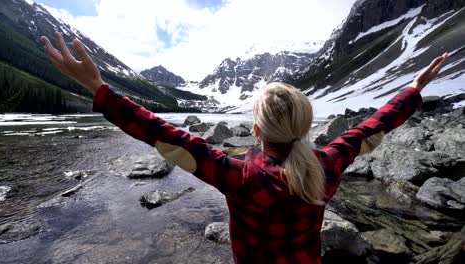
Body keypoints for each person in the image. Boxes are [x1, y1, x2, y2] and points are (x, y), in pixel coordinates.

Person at [41, 32, 448, 263]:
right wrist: (414, 89)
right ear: (305, 127)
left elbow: (164, 136)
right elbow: (370, 129)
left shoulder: (237, 175)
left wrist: (98, 89)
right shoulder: (327, 164)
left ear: (255, 129)